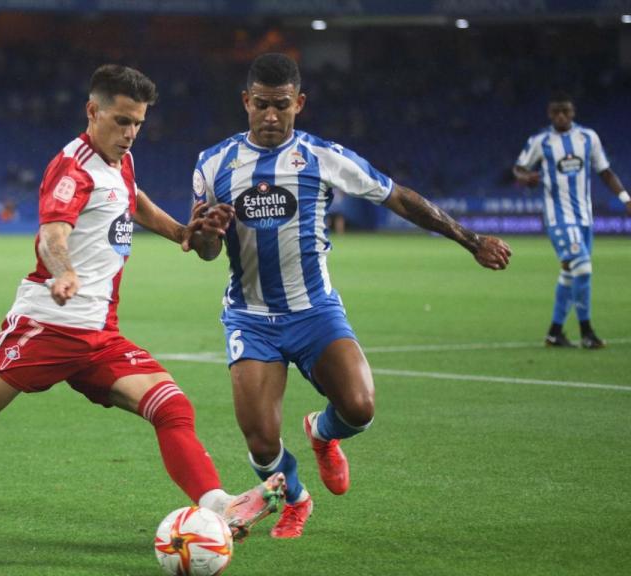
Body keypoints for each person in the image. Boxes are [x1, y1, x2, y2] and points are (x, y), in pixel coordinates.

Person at [0, 65, 284, 540]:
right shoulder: (72, 168)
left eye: (138, 122)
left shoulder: (120, 159)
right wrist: (64, 273)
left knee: (171, 405)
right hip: (48, 325)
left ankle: (218, 505)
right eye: (121, 121)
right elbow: (51, 235)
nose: (130, 133)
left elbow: (132, 198)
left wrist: (180, 232)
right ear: (92, 111)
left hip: (99, 333)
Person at [186, 54, 512, 539]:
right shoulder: (212, 165)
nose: (271, 117)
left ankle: (321, 433)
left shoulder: (323, 157)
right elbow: (208, 252)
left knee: (360, 408)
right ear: (245, 103)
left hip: (315, 312)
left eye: (281, 106)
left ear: (299, 103)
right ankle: (296, 498)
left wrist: (471, 240)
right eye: (261, 106)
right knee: (260, 443)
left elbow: (397, 196)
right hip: (250, 317)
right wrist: (208, 232)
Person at [513, 91, 629, 349]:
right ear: (549, 114)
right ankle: (587, 332)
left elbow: (605, 171)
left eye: (566, 111)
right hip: (558, 218)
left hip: (585, 218)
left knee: (569, 272)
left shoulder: (588, 138)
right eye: (556, 112)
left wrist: (625, 198)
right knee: (583, 268)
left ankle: (554, 333)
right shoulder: (540, 141)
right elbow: (519, 167)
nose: (561, 116)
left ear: (573, 112)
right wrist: (524, 177)